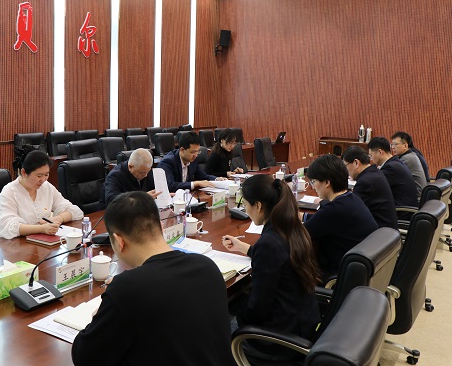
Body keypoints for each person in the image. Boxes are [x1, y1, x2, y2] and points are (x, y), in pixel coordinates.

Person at [71, 191, 235, 366]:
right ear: (161, 229)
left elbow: (84, 358)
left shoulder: (127, 289)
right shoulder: (206, 265)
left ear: (119, 241)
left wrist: (105, 310)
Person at [222, 174, 320, 363]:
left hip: (280, 340)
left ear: (258, 206)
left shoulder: (268, 244)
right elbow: (279, 256)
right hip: (302, 322)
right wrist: (245, 248)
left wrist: (238, 316)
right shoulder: (292, 227)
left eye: (245, 204)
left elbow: (258, 309)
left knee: (217, 323)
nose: (245, 209)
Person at [302, 154, 378, 279]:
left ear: (327, 182)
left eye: (313, 182)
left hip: (337, 276)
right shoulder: (351, 198)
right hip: (362, 271)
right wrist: (303, 216)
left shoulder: (334, 210)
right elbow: (326, 221)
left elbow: (298, 235)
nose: (312, 186)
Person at [0, 146, 83, 239]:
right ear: (24, 172)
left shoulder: (46, 187)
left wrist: (56, 219)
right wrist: (42, 228)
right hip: (16, 244)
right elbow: (8, 226)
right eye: (39, 176)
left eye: (46, 174)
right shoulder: (9, 192)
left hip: (43, 242)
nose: (43, 179)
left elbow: (75, 211)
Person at [342, 146, 397, 229]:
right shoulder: (375, 173)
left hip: (378, 232)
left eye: (345, 166)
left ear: (356, 163)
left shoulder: (365, 182)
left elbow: (351, 212)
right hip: (387, 231)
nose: (346, 171)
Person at [367, 137, 419, 218]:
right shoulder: (396, 162)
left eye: (371, 155)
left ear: (380, 152)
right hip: (405, 208)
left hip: (401, 213)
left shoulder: (390, 168)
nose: (371, 159)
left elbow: (373, 188)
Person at [157, 131, 225, 192]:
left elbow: (203, 176)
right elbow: (170, 186)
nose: (196, 155)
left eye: (198, 151)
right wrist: (195, 183)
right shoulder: (168, 162)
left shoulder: (192, 160)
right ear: (182, 150)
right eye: (193, 152)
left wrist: (216, 179)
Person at [391, 131, 427, 199]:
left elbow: (394, 179)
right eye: (392, 144)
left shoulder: (406, 159)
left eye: (395, 144)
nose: (393, 147)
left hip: (416, 198)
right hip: (419, 195)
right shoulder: (411, 155)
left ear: (405, 146)